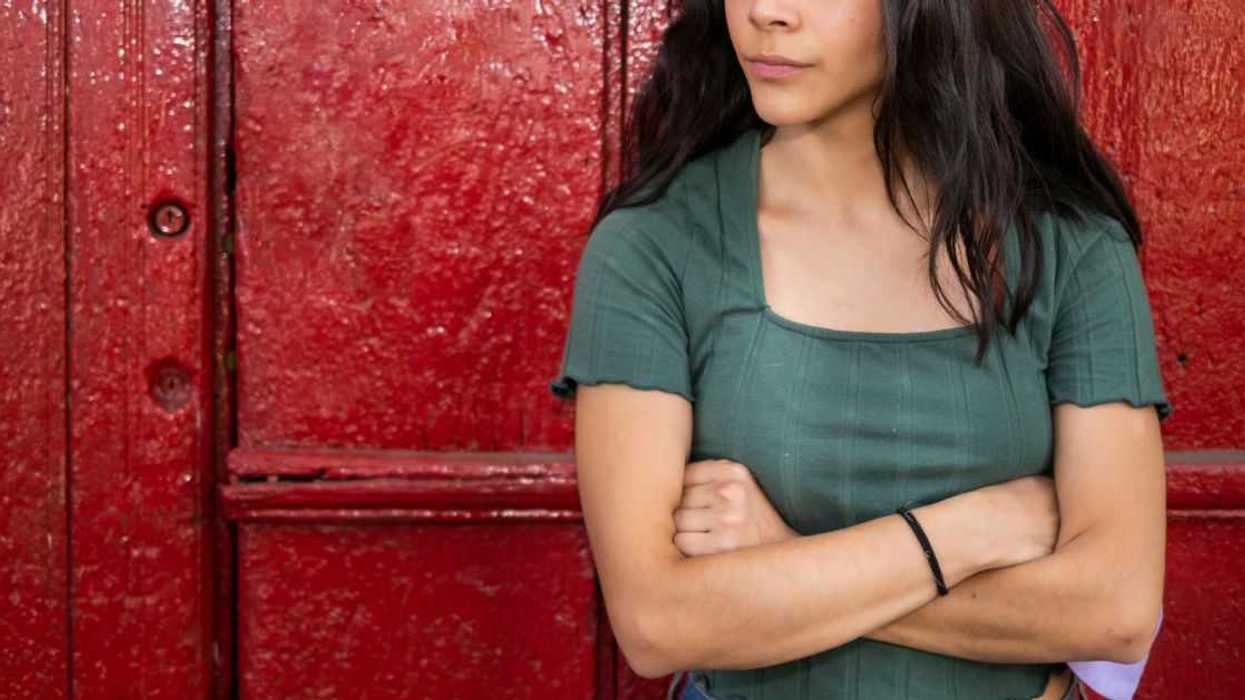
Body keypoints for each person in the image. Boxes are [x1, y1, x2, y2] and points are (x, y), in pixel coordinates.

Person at [548, 1, 1173, 698]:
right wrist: (967, 533)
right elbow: (657, 623)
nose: (765, 13)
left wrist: (784, 561)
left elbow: (1113, 612)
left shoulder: (1070, 247)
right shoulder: (654, 247)